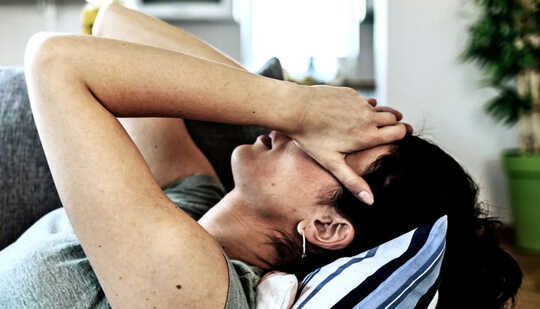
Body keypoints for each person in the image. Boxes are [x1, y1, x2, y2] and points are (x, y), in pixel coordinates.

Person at [0, 3, 521, 309]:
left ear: (327, 226)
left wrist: (293, 106)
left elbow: (57, 60)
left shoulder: (202, 290)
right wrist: (301, 109)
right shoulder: (190, 196)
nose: (307, 133)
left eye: (340, 147)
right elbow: (115, 23)